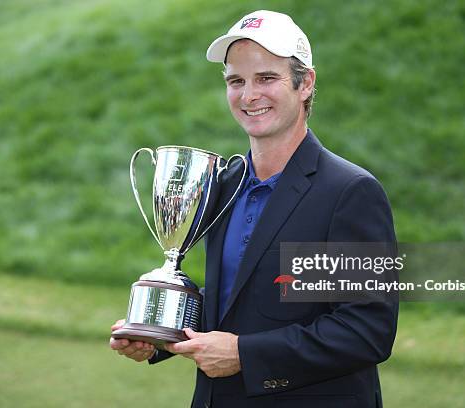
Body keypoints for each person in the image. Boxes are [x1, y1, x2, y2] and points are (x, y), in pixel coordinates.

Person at [111, 10, 398, 408]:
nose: (248, 95)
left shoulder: (350, 192)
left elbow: (366, 330)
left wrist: (244, 354)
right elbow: (238, 300)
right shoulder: (223, 185)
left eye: (266, 78)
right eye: (236, 81)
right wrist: (160, 332)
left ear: (305, 84)